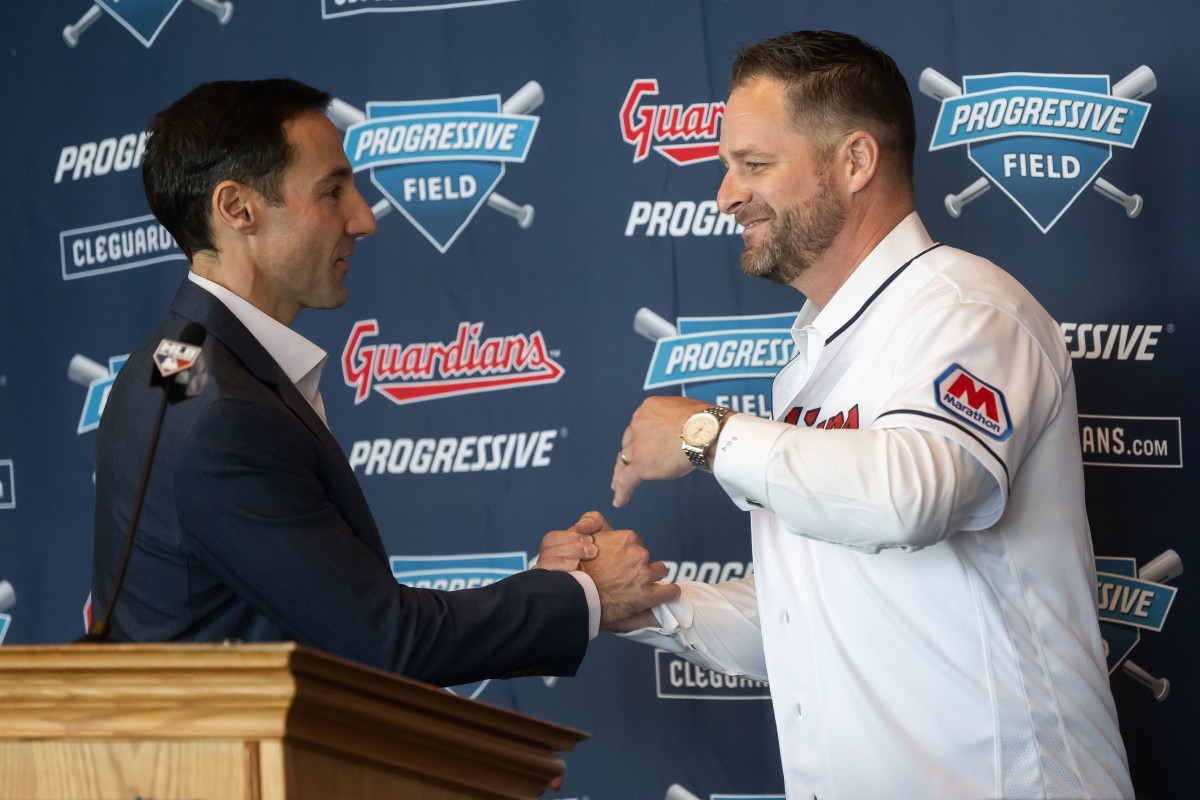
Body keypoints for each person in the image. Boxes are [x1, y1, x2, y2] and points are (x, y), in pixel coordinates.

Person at [607, 31, 1133, 799]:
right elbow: (813, 623)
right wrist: (645, 608)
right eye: (728, 168)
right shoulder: (809, 362)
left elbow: (912, 496)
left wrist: (705, 435)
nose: (724, 194)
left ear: (855, 162)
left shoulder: (966, 307)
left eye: (753, 165)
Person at [91, 78, 679, 689]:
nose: (364, 219)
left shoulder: (173, 358)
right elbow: (385, 642)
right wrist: (584, 594)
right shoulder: (221, 414)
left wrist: (549, 585)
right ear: (238, 209)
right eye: (332, 191)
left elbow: (324, 608)